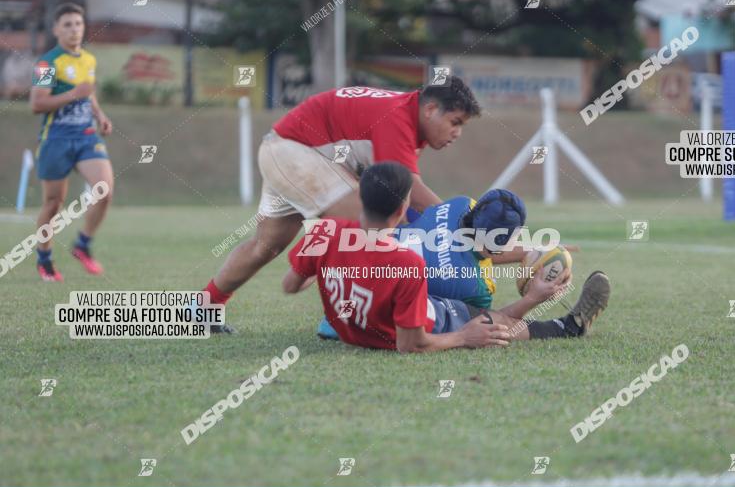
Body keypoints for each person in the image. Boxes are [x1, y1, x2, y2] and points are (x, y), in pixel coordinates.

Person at [202, 78, 481, 332]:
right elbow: (411, 194)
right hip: (295, 153)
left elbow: (404, 196)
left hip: (285, 149)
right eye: (455, 122)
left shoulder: (406, 114)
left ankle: (203, 308)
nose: (457, 132)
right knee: (373, 227)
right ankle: (341, 320)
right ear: (431, 109)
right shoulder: (399, 118)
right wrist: (459, 222)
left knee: (263, 248)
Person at [283, 163, 611, 352]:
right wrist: (463, 337)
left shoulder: (324, 232)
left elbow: (291, 284)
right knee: (486, 322)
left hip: (340, 325)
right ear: (401, 210)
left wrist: (332, 270)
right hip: (386, 329)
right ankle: (566, 327)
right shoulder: (410, 268)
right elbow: (411, 345)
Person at [29, 2, 114, 281]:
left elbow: (88, 94)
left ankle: (82, 245)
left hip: (85, 136)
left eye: (78, 24)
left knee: (104, 189)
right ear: (56, 29)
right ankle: (44, 258)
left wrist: (100, 115)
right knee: (54, 204)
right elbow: (37, 103)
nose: (74, 29)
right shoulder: (47, 63)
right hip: (55, 139)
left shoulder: (88, 59)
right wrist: (73, 94)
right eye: (67, 24)